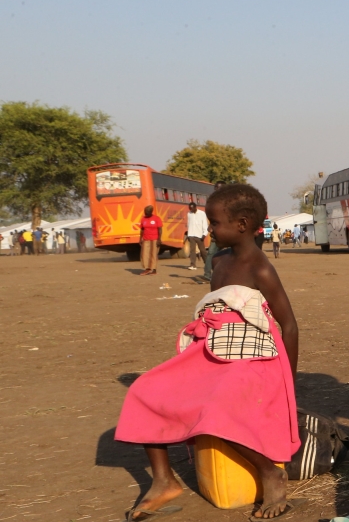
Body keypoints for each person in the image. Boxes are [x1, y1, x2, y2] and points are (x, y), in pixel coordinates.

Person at [115, 184, 301, 521]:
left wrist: (290, 382)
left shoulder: (260, 268)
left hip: (255, 356)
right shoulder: (218, 259)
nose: (209, 230)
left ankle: (270, 473)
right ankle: (163, 481)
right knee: (145, 390)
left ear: (242, 225)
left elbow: (289, 325)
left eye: (214, 224)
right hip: (214, 347)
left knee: (215, 408)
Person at [204, 181, 226, 280]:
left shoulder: (229, 200)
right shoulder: (212, 200)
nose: (217, 189)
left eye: (219, 187)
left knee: (229, 252)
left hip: (227, 229)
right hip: (216, 228)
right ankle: (207, 275)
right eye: (216, 187)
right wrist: (210, 225)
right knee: (211, 252)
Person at [137, 205, 162, 276]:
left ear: (151, 212)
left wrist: (159, 239)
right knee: (144, 254)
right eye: (145, 212)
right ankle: (147, 268)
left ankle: (154, 269)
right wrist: (140, 239)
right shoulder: (143, 219)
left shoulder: (156, 218)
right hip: (146, 239)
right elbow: (142, 229)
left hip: (155, 239)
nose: (145, 213)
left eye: (147, 212)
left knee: (153, 254)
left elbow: (160, 229)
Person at [185, 202, 209, 271]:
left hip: (200, 235)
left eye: (192, 209)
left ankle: (207, 264)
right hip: (191, 235)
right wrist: (188, 235)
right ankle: (193, 265)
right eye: (190, 209)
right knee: (192, 251)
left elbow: (205, 224)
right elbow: (189, 224)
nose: (191, 210)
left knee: (202, 251)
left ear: (195, 207)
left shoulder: (202, 214)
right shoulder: (189, 214)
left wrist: (204, 234)